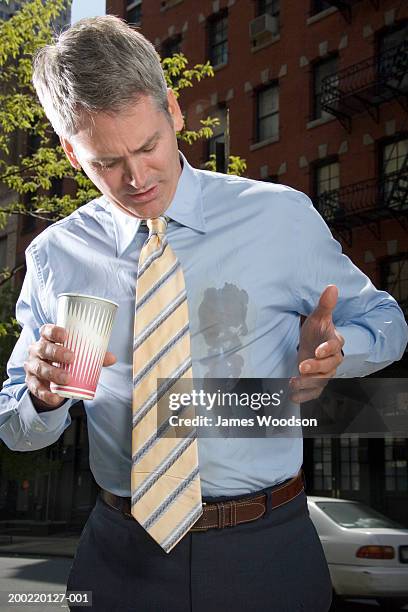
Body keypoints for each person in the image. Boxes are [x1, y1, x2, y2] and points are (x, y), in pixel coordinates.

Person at [0, 15, 407, 612]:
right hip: (118, 554)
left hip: (268, 548)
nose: (136, 178)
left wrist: (340, 348)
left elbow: (390, 323)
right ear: (70, 151)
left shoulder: (279, 218)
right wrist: (40, 397)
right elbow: (16, 426)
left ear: (174, 111)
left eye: (147, 146)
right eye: (105, 162)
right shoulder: (57, 256)